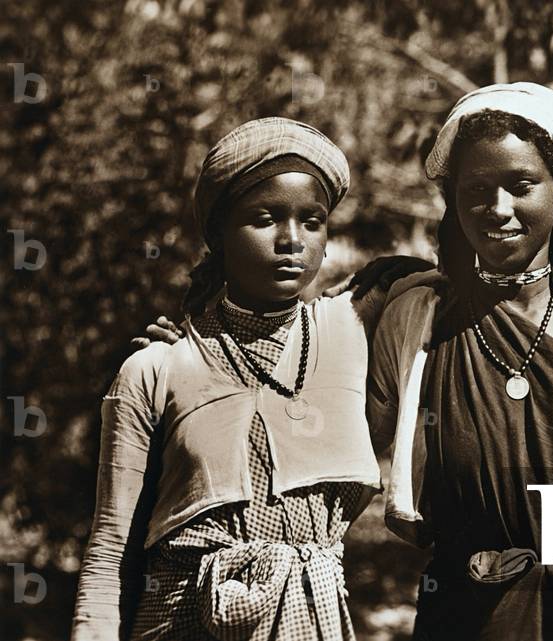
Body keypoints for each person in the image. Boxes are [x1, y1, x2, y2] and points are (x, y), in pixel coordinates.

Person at [367, 82, 553, 641]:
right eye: (476, 190)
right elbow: (345, 435)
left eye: (521, 184)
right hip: (463, 615)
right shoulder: (419, 318)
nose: (498, 209)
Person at [72, 117, 381, 641]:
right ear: (217, 235)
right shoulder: (157, 368)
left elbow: (469, 278)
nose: (291, 240)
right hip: (180, 622)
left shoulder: (356, 329)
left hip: (311, 617)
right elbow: (109, 545)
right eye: (264, 219)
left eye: (312, 221)